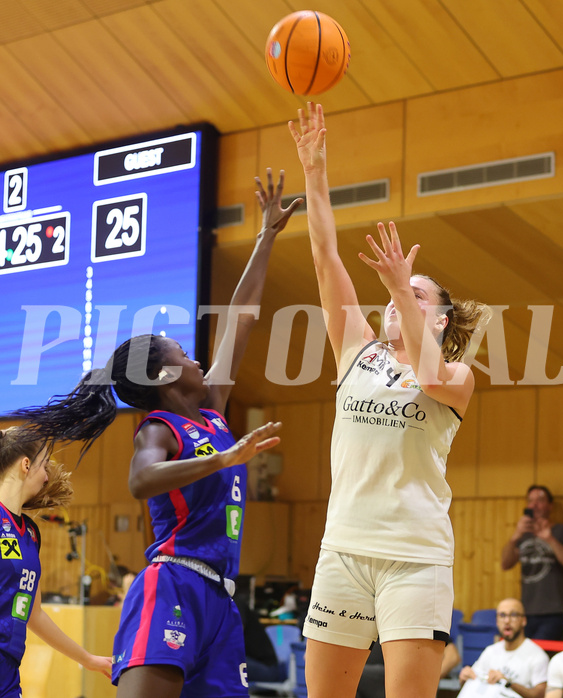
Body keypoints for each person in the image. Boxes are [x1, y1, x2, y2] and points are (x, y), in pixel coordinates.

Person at [8, 169, 302, 698]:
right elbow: (142, 482)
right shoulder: (157, 429)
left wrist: (267, 237)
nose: (195, 357)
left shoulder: (211, 406)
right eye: (183, 353)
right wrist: (224, 459)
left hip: (219, 597)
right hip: (173, 582)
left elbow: (242, 318)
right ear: (165, 375)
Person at [289, 102, 490, 698]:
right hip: (344, 550)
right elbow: (325, 255)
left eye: (422, 294)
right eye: (402, 292)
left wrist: (404, 287)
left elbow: (428, 379)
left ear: (443, 317)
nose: (403, 296)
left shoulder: (457, 372)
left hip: (415, 558)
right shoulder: (356, 349)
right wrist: (314, 171)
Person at [0, 426, 112, 697]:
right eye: (44, 466)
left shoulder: (30, 533)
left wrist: (88, 659)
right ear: (26, 465)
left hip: (8, 673)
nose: (47, 476)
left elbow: (34, 614)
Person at [501, 485, 563, 640]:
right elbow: (505, 564)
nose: (534, 505)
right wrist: (515, 536)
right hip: (526, 610)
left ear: (550, 506)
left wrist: (549, 539)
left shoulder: (562, 531)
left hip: (554, 611)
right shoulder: (523, 535)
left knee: (538, 651)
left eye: (540, 500)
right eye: (530, 501)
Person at [458, 598, 548, 697]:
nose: (507, 621)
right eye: (502, 615)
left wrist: (508, 683)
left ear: (523, 620)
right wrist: (465, 678)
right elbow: (472, 683)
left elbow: (540, 695)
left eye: (513, 615)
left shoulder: (537, 655)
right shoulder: (490, 651)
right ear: (497, 621)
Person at [355, 637, 461, 698]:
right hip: (370, 682)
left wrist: (427, 680)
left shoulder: (412, 621)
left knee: (353, 677)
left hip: (394, 677)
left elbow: (453, 657)